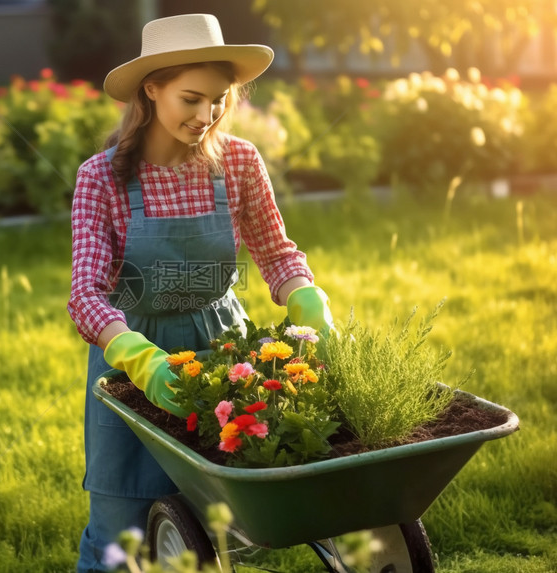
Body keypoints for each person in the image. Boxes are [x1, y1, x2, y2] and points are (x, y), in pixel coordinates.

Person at [67, 13, 334, 571]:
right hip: (131, 364)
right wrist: (140, 360)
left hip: (223, 351)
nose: (205, 115)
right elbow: (86, 296)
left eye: (217, 100)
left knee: (212, 524)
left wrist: (308, 300)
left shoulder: (238, 163)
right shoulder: (102, 178)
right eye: (191, 98)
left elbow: (277, 254)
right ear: (152, 88)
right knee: (120, 537)